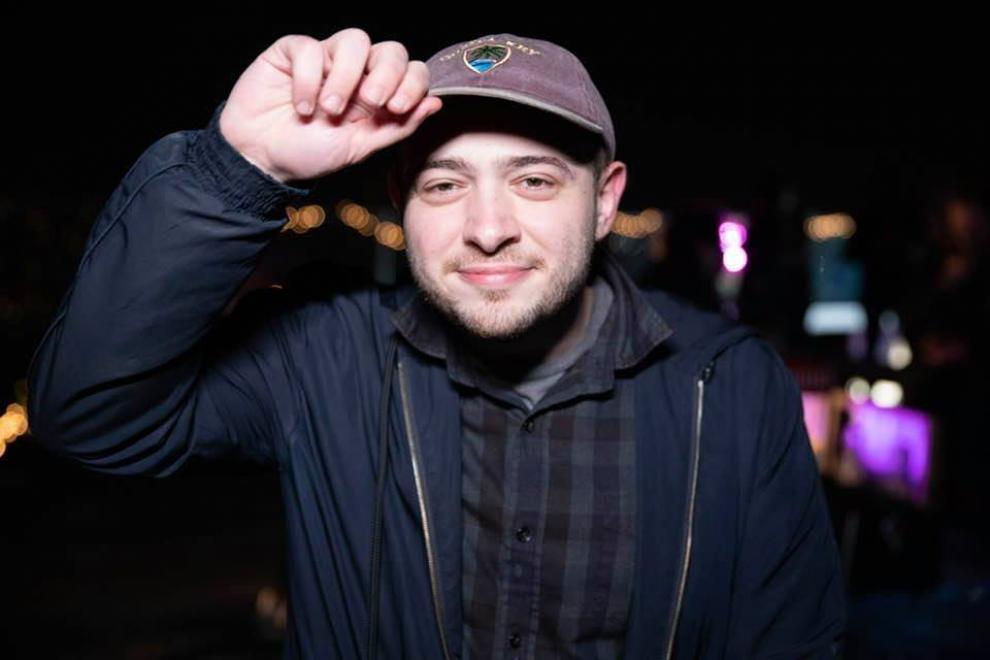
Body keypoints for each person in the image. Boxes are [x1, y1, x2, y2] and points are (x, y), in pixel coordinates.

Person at [26, 28, 846, 659]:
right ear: (401, 200)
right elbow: (90, 418)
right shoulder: (326, 352)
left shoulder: (729, 387)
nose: (487, 228)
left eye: (534, 180)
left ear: (605, 202)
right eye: (445, 184)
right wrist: (234, 171)